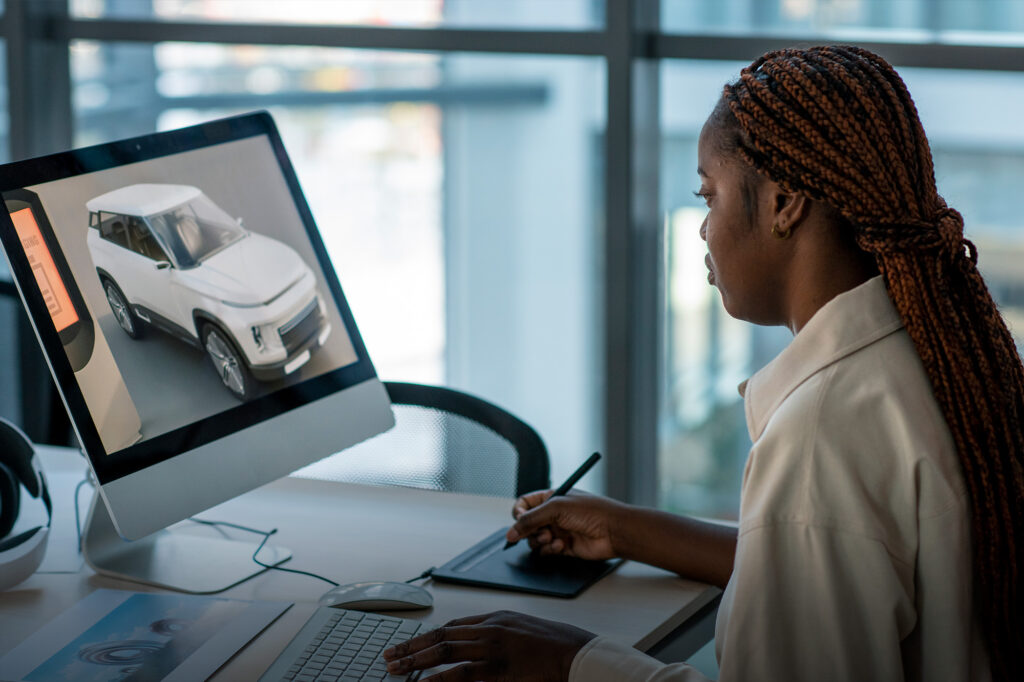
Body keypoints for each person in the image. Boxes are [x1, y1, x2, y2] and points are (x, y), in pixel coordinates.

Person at [382, 45, 1023, 681]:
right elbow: (834, 561)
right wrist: (627, 531)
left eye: (708, 195)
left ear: (784, 202)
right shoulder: (938, 356)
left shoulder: (821, 434)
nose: (701, 228)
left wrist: (572, 662)